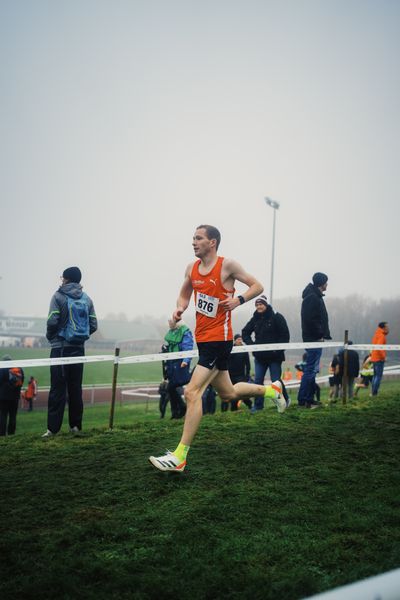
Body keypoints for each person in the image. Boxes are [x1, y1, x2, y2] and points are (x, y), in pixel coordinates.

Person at [149, 224, 286, 472]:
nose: (193, 242)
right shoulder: (191, 268)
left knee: (192, 392)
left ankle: (180, 456)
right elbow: (184, 295)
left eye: (198, 238)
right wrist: (179, 309)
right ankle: (272, 390)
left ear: (212, 242)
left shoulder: (227, 265)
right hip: (204, 339)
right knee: (229, 393)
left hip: (219, 340)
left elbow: (257, 286)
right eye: (192, 238)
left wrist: (239, 300)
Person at [42, 266, 97, 437]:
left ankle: (52, 429)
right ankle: (75, 427)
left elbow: (52, 321)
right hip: (78, 349)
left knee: (57, 389)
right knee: (75, 388)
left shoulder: (58, 296)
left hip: (59, 349)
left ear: (66, 279)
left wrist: (52, 337)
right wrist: (80, 338)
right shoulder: (87, 299)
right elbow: (93, 325)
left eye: (62, 277)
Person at [242, 295, 290, 412]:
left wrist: (277, 350)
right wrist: (252, 345)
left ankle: (285, 401)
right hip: (260, 357)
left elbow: (285, 335)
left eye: (261, 304)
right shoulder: (254, 319)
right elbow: (245, 332)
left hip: (275, 357)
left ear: (266, 305)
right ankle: (258, 406)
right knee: (258, 382)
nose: (259, 307)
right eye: (257, 305)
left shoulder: (277, 317)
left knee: (276, 381)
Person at [298, 272, 331, 409]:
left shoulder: (314, 296)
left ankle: (309, 399)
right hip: (314, 339)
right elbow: (310, 319)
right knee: (310, 370)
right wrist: (319, 334)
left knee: (312, 370)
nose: (327, 284)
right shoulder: (312, 297)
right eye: (326, 282)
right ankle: (304, 400)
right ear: (321, 283)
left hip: (314, 338)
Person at [163, 319, 194, 419]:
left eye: (171, 322)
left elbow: (188, 347)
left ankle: (182, 407)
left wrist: (186, 360)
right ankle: (175, 413)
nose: (169, 324)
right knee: (171, 388)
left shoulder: (185, 332)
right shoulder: (172, 331)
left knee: (171, 387)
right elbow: (171, 346)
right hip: (171, 364)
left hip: (180, 364)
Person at [0, 355, 24, 436]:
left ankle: (2, 434)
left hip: (3, 397)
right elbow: (21, 381)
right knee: (13, 416)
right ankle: (11, 434)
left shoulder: (2, 369)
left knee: (3, 416)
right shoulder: (19, 369)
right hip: (15, 397)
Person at [227, 334, 252, 411]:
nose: (240, 341)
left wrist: (247, 374)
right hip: (231, 375)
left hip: (241, 375)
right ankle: (234, 409)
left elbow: (247, 364)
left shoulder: (244, 350)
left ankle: (249, 404)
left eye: (241, 339)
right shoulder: (231, 349)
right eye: (238, 339)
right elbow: (227, 360)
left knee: (242, 392)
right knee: (233, 392)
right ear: (235, 340)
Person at [370, 322, 389, 396]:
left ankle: (373, 392)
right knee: (378, 376)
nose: (388, 328)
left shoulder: (376, 335)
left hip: (374, 358)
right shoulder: (381, 336)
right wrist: (384, 357)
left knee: (375, 376)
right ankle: (374, 393)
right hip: (379, 359)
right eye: (387, 327)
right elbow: (379, 348)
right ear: (383, 328)